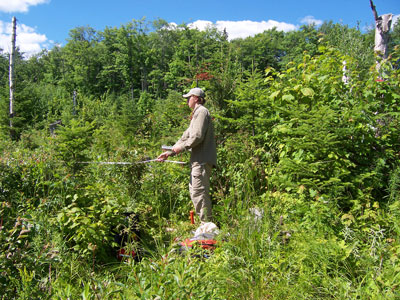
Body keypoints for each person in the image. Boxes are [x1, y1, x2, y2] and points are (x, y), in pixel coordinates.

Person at [158, 87, 217, 223]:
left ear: (196, 98)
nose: (187, 101)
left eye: (189, 98)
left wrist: (182, 147)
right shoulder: (196, 114)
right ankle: (205, 227)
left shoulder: (201, 112)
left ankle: (207, 229)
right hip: (198, 162)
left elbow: (196, 136)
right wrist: (169, 153)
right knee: (196, 193)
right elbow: (185, 137)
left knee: (200, 195)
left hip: (201, 162)